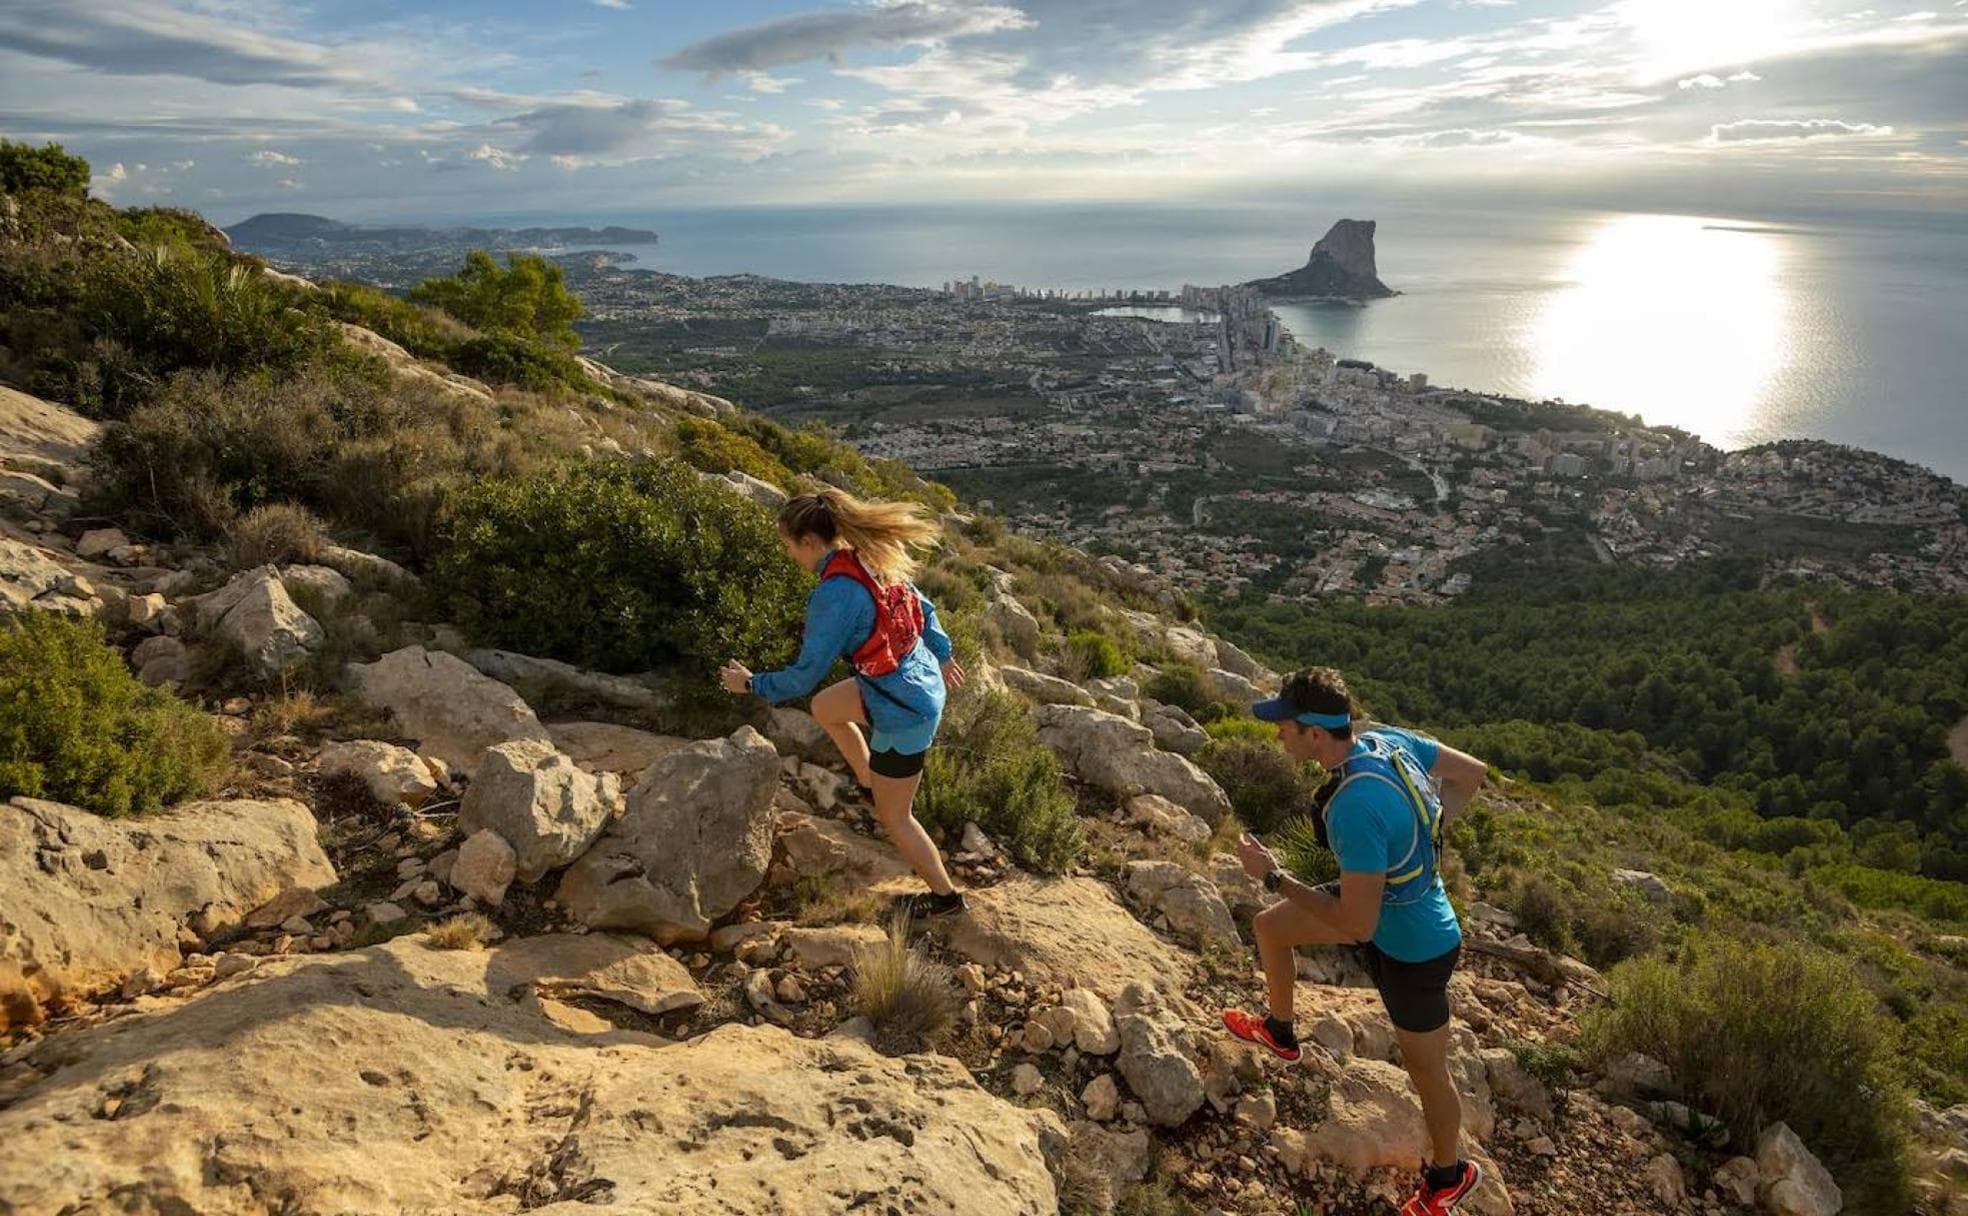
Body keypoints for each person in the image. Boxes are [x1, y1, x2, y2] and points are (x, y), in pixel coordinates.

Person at [1219, 666, 1491, 1216]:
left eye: (1286, 726)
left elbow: (1356, 927)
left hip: (1416, 948)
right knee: (1272, 928)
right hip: (1378, 902)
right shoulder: (1386, 740)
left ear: (1315, 734)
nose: (1278, 734)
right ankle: (1279, 1031)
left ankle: (1449, 1176)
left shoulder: (1352, 808)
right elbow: (1472, 774)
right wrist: (1428, 834)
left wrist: (1272, 877)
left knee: (1426, 1071)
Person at [719, 487, 968, 919]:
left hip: (904, 709)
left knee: (897, 820)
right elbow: (925, 611)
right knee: (825, 708)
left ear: (810, 543)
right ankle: (870, 780)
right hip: (908, 679)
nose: (790, 555)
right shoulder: (870, 556)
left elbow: (803, 674)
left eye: (789, 546)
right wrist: (942, 655)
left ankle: (946, 899)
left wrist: (751, 684)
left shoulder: (835, 593)